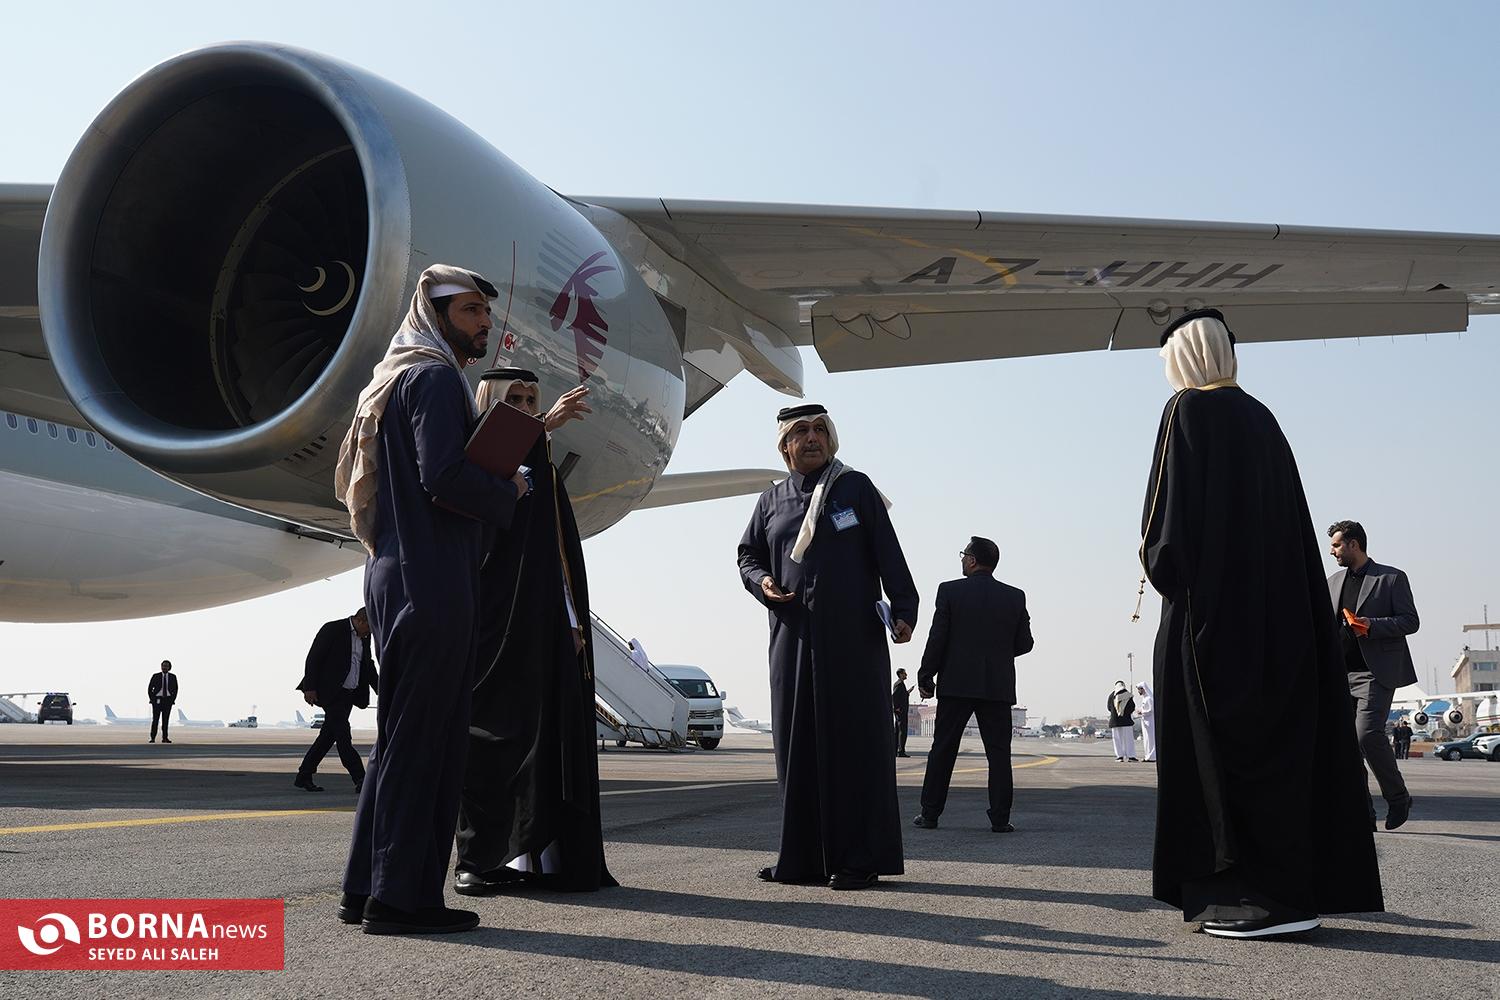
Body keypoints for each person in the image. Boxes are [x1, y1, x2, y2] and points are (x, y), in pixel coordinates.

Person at [1139, 308, 1381, 939]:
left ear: (1182, 357)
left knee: (1216, 749)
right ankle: (1293, 896)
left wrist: (1163, 571)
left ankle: (1246, 898)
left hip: (1212, 623)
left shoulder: (1186, 411)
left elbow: (1165, 537)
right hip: (1282, 619)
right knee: (1277, 749)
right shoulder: (1262, 416)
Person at [332, 264, 528, 936]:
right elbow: (443, 476)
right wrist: (510, 489)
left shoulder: (395, 381)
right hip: (433, 575)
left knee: (401, 738)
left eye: (485, 312)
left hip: (397, 571)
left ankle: (366, 888)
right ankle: (403, 901)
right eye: (471, 310)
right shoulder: (436, 378)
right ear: (435, 313)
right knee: (430, 742)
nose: (484, 323)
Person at [737, 403, 919, 890]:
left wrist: (904, 609)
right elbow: (747, 555)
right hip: (792, 638)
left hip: (852, 639)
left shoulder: (854, 488)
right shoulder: (771, 500)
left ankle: (860, 859)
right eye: (802, 432)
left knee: (855, 745)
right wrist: (763, 582)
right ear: (785, 445)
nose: (813, 438)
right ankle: (801, 860)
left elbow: (888, 552)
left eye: (820, 429)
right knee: (796, 747)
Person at [454, 366, 615, 895]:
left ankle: (538, 859)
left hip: (541, 624)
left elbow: (557, 554)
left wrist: (570, 621)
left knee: (543, 740)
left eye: (530, 400)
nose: (524, 409)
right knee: (488, 738)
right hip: (488, 623)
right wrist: (542, 425)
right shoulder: (469, 458)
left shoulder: (542, 468)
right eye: (514, 401)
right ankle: (477, 858)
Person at [913, 537, 1033, 832]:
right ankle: (1000, 819)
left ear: (972, 560)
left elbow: (938, 637)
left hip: (957, 683)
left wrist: (926, 674)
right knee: (999, 754)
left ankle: (930, 814)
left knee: (943, 750)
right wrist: (998, 654)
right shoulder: (1015, 596)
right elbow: (1025, 643)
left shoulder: (949, 591)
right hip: (997, 686)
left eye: (963, 555)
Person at [1327, 520, 1419, 830]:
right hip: (1339, 674)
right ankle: (1363, 811)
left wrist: (1371, 625)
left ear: (1353, 544)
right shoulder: (1332, 582)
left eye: (1336, 545)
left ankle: (1398, 797)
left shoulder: (1391, 578)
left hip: (1374, 673)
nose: (1332, 551)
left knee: (1366, 734)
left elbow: (1410, 621)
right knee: (1346, 746)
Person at [294, 609, 378, 793]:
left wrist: (381, 689)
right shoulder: (333, 629)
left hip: (349, 694)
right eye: (369, 628)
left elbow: (368, 665)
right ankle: (361, 779)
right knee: (343, 737)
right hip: (331, 693)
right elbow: (314, 658)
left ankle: (304, 775)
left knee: (327, 737)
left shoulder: (364, 637)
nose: (370, 633)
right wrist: (309, 687)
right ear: (361, 621)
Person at [147, 660, 177, 744]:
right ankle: (152, 738)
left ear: (169, 668)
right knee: (155, 720)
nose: (164, 667)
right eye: (163, 666)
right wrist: (152, 699)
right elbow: (150, 688)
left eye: (166, 666)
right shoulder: (156, 676)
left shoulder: (173, 677)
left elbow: (175, 689)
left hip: (167, 700)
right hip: (157, 700)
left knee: (165, 720)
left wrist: (172, 700)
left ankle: (165, 738)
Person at [1107, 681, 1138, 762]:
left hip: (1115, 721)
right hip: (1126, 721)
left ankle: (1119, 756)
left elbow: (1109, 707)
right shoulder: (1128, 694)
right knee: (1128, 740)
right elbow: (1132, 707)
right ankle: (1131, 756)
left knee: (1117, 740)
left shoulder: (1112, 695)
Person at [892, 669, 912, 757]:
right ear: (900, 674)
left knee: (897, 731)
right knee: (902, 731)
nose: (906, 675)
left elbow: (901, 696)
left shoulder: (900, 684)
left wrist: (907, 692)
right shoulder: (899, 684)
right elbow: (894, 696)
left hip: (900, 711)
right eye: (904, 673)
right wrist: (896, 708)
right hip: (901, 711)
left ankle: (895, 750)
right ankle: (901, 751)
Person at [1135, 681, 1157, 762]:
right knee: (1147, 740)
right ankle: (1148, 755)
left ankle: (1152, 756)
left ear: (1143, 689)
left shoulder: (1149, 699)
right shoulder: (1145, 698)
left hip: (1150, 722)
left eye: (1139, 689)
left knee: (1150, 740)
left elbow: (1150, 710)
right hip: (1145, 722)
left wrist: (1142, 712)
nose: (1138, 691)